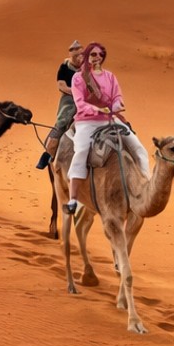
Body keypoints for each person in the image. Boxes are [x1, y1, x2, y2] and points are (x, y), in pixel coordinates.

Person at [63, 42, 149, 215]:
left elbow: (117, 96)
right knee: (81, 151)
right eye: (93, 54)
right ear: (87, 56)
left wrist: (117, 105)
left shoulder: (110, 76)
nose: (97, 58)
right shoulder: (79, 78)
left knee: (139, 148)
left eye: (100, 55)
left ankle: (146, 186)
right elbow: (80, 103)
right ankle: (73, 199)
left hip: (110, 119)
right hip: (86, 121)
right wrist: (97, 109)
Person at [37, 39, 85, 169]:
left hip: (86, 100)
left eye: (81, 55)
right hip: (70, 100)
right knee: (63, 122)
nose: (79, 58)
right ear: (71, 56)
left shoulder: (86, 68)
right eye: (76, 56)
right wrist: (76, 92)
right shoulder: (64, 67)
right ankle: (48, 153)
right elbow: (61, 85)